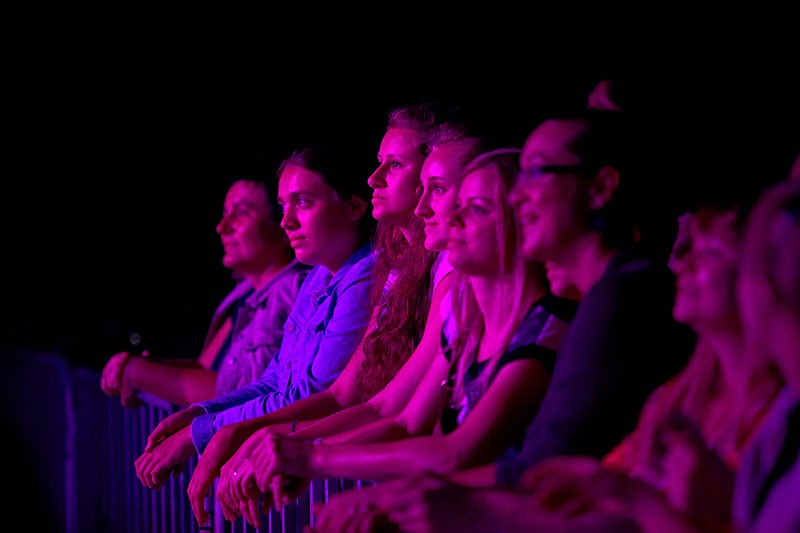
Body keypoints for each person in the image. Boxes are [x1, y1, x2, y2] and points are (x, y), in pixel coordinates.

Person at [308, 108, 695, 532]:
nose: (520, 196)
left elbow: (527, 469)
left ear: (601, 187)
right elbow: (417, 426)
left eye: (537, 173)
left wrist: (327, 466)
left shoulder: (607, 300)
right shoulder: (479, 312)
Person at [226, 148, 577, 529]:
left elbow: (454, 455)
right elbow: (406, 421)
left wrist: (312, 459)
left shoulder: (546, 328)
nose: (448, 217)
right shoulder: (465, 320)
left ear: (520, 222)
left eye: (475, 209)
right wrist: (304, 454)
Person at [185, 108, 479, 526]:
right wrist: (235, 431)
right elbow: (350, 395)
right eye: (378, 163)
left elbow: (399, 416)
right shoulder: (396, 268)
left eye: (395, 165)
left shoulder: (437, 273)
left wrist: (299, 453)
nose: (374, 178)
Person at [133, 137, 379, 491]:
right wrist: (202, 412)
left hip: (336, 482)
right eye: (283, 206)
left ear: (354, 205)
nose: (286, 221)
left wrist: (201, 432)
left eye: (303, 202)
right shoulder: (317, 276)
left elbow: (314, 394)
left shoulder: (365, 276)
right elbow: (274, 380)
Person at [99, 178, 309, 408]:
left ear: (282, 225)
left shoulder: (295, 293)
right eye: (225, 213)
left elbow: (239, 397)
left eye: (242, 213)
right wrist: (150, 370)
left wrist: (137, 372)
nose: (222, 226)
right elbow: (206, 369)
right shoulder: (243, 296)